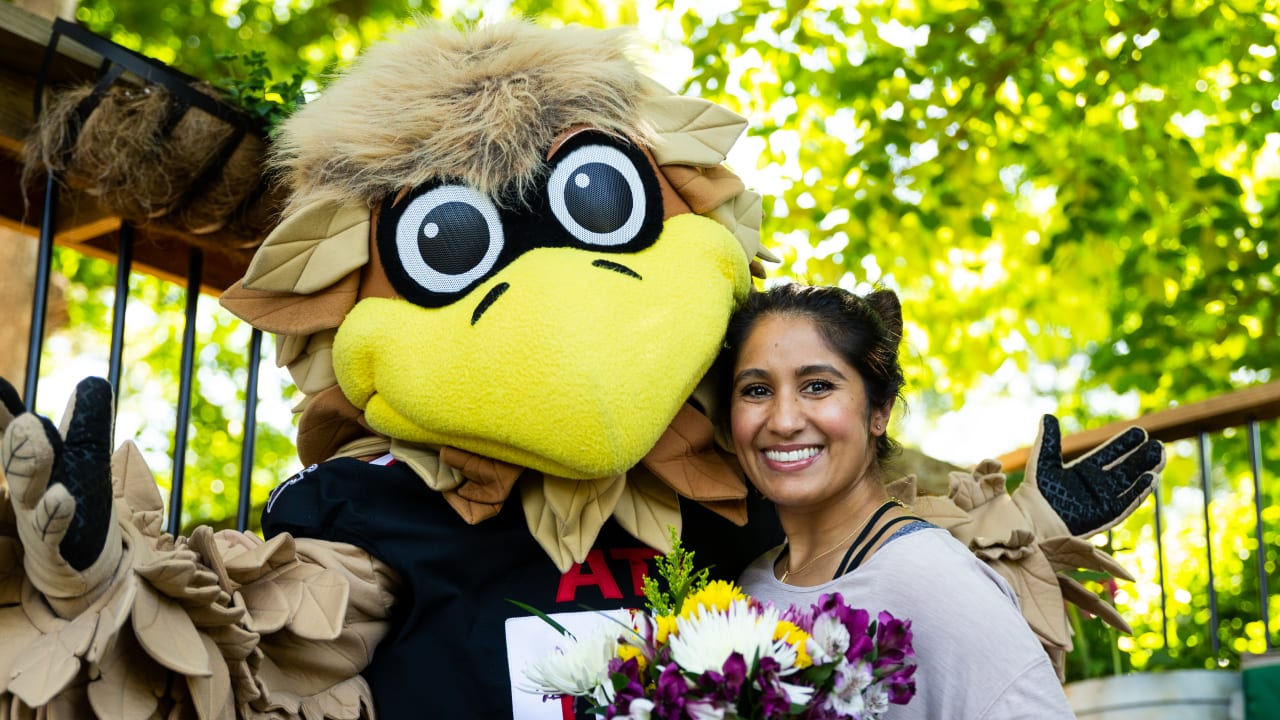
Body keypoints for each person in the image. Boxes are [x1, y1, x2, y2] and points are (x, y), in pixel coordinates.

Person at [726, 283, 1075, 719]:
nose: (784, 420)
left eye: (817, 386)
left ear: (880, 410)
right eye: (757, 390)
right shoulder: (749, 586)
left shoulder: (932, 577)